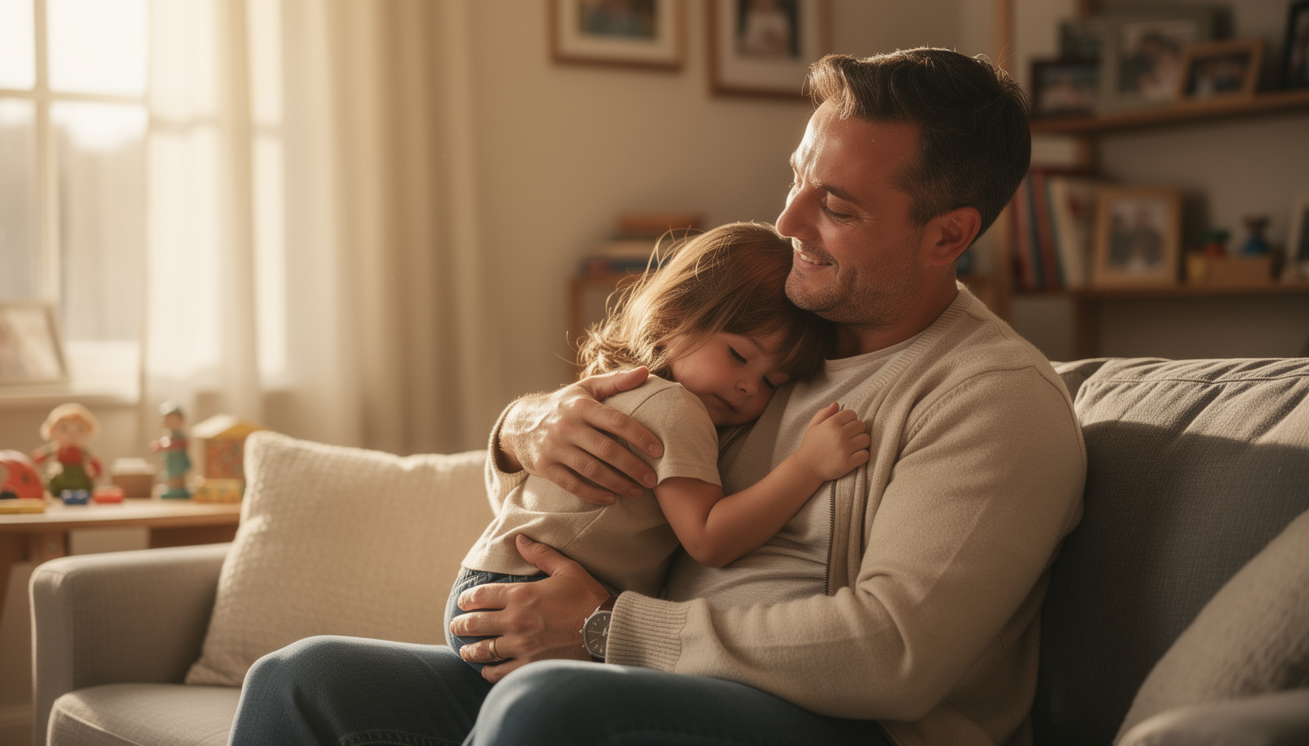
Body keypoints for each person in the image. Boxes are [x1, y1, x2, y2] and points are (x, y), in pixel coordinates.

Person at [229, 47, 1087, 746]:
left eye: (835, 204)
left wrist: (610, 630)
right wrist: (522, 432)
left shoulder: (994, 403)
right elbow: (600, 490)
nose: (788, 221)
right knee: (303, 681)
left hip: (843, 725)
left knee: (550, 711)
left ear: (949, 234)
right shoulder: (779, 328)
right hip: (639, 675)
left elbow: (894, 654)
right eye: (796, 178)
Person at [447, 222, 869, 671]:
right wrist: (808, 465)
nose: (748, 387)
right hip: (526, 591)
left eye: (771, 382)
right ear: (674, 315)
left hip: (492, 579)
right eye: (739, 356)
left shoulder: (632, 395)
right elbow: (710, 539)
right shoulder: (677, 408)